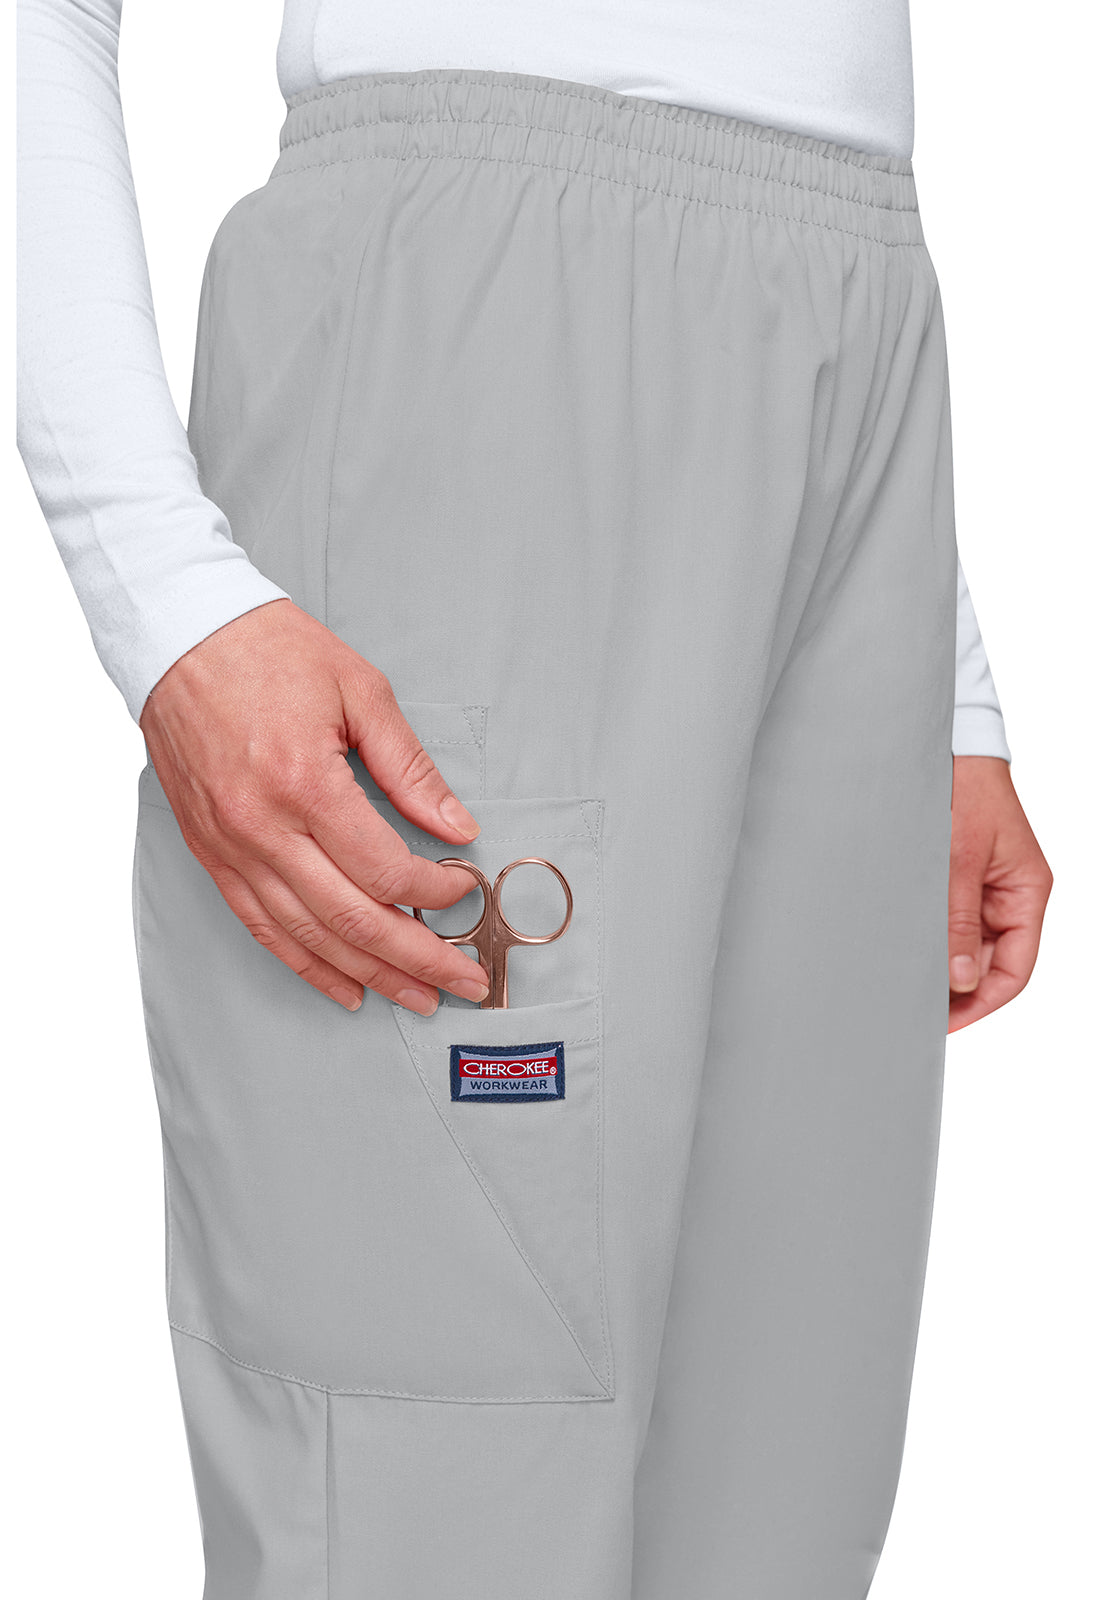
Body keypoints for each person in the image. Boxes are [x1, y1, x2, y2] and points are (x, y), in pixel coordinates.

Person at [16, 3, 1052, 1596]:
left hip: (858, 335)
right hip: (471, 319)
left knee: (780, 1493)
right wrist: (162, 596)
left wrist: (946, 670)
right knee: (442, 1488)